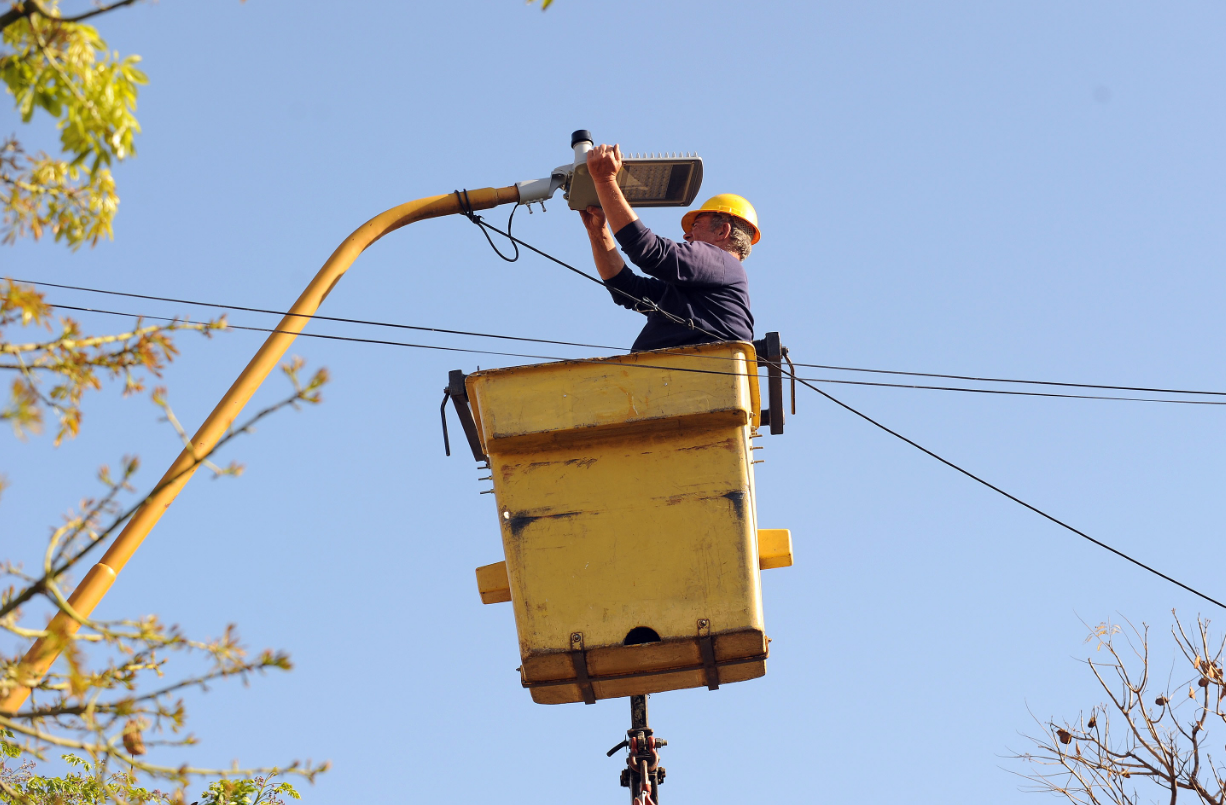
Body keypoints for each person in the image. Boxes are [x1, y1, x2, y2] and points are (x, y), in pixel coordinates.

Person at [578, 143, 759, 352]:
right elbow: (625, 288)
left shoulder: (723, 262)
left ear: (722, 232)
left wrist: (605, 180)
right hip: (675, 380)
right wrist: (598, 232)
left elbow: (649, 251)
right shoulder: (696, 291)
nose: (687, 234)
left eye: (696, 225)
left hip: (691, 379)